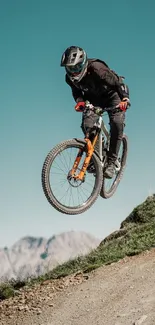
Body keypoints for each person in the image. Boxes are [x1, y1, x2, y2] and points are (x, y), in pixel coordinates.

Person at [60, 45, 130, 179]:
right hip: (93, 100)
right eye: (70, 68)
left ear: (83, 62)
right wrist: (80, 101)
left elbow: (118, 82)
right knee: (87, 124)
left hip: (112, 97)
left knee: (117, 122)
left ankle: (111, 162)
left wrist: (125, 98)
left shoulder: (98, 69)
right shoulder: (69, 78)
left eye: (75, 68)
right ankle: (96, 156)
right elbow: (76, 92)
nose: (73, 72)